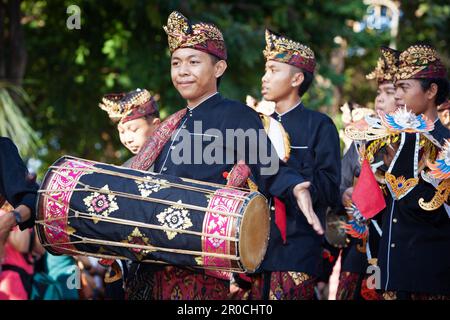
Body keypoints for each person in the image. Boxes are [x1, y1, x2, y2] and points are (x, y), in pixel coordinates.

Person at [126, 11, 321, 300]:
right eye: (176, 63)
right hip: (152, 259)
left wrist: (295, 186)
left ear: (218, 69)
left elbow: (267, 166)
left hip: (196, 265)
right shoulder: (173, 123)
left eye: (194, 62)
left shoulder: (235, 115)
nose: (182, 71)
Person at [251, 29, 341, 300]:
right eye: (265, 70)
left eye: (273, 70)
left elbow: (329, 188)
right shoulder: (255, 125)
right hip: (252, 248)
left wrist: (291, 177)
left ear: (297, 78)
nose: (264, 78)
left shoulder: (320, 125)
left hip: (295, 248)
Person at [377, 44, 450, 299]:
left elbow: (436, 208)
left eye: (404, 87)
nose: (397, 96)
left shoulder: (446, 145)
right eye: (395, 88)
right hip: (390, 277)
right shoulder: (389, 142)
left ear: (431, 91)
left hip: (429, 281)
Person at [336, 46, 399, 300]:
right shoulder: (362, 138)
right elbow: (339, 185)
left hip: (395, 249)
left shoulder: (419, 143)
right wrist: (346, 195)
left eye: (389, 92)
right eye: (378, 92)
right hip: (358, 249)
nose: (380, 99)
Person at [99, 88, 161, 166]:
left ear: (156, 125)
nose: (127, 139)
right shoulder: (127, 167)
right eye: (122, 131)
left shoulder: (176, 154)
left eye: (133, 129)